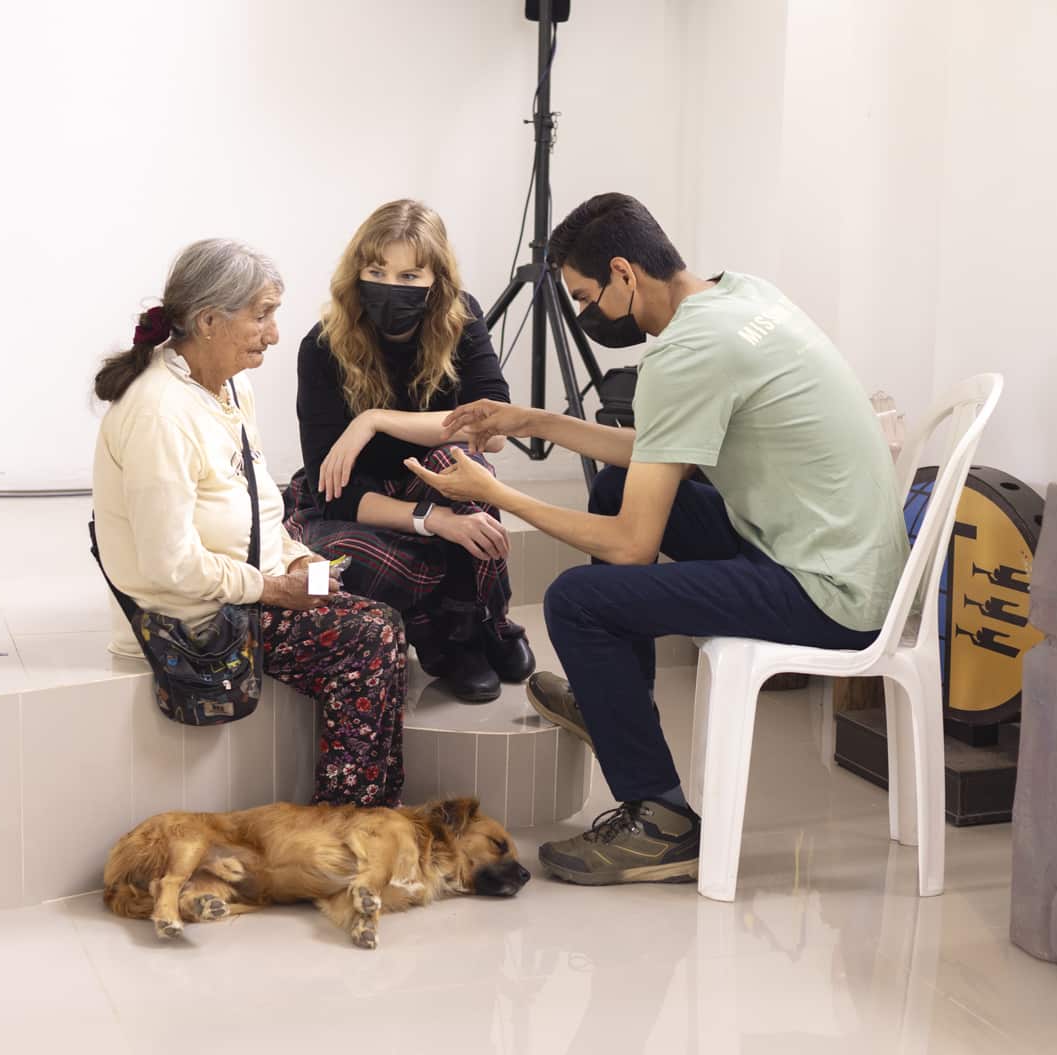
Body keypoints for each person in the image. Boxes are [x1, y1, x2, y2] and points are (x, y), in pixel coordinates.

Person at [407, 193, 909, 884]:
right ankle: (618, 702)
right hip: (837, 550)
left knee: (577, 600)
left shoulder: (686, 353)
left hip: (830, 592)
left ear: (624, 273)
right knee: (618, 486)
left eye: (585, 298)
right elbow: (661, 448)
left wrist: (495, 494)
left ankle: (661, 820)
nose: (586, 315)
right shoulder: (741, 296)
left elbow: (631, 547)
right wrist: (535, 421)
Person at [92, 238, 407, 807]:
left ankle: (375, 816)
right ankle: (346, 823)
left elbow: (257, 505)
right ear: (209, 321)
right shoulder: (159, 412)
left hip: (247, 590)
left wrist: (298, 558)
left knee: (375, 604)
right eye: (261, 316)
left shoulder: (232, 386)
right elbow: (169, 565)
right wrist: (274, 588)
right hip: (191, 617)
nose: (274, 334)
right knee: (372, 633)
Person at [284, 199, 535, 704]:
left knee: (461, 467)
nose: (390, 287)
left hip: (432, 478)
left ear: (436, 279)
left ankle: (469, 630)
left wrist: (374, 419)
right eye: (376, 272)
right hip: (362, 504)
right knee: (337, 563)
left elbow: (495, 431)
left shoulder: (461, 318)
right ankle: (451, 628)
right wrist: (433, 520)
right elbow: (337, 496)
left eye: (409, 275)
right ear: (356, 272)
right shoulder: (322, 347)